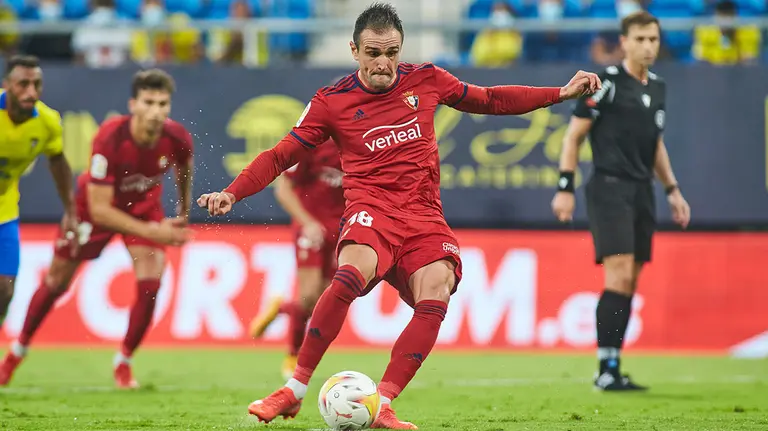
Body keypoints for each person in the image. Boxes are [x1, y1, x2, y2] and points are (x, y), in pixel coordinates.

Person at [199, 3, 599, 428]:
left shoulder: (425, 79)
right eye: (373, 53)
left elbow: (490, 99)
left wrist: (558, 93)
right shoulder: (331, 102)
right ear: (354, 51)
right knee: (350, 274)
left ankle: (383, 403)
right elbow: (282, 155)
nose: (383, 63)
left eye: (391, 53)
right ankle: (293, 390)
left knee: (438, 288)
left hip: (425, 218)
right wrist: (232, 192)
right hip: (371, 210)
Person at [0, 69, 195, 389]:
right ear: (133, 104)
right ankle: (16, 352)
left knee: (151, 281)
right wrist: (157, 233)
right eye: (149, 102)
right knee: (56, 281)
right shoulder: (110, 137)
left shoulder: (177, 137)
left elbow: (185, 169)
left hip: (144, 208)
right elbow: (102, 209)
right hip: (92, 210)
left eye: (163, 103)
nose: (156, 111)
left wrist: (183, 212)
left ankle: (124, 362)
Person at [552, 11, 690, 392]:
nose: (648, 46)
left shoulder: (658, 87)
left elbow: (656, 145)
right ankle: (605, 369)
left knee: (630, 279)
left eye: (653, 39)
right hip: (610, 187)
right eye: (641, 39)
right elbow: (573, 137)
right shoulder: (607, 83)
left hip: (642, 189)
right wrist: (565, 186)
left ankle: (613, 365)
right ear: (624, 42)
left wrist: (672, 189)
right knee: (619, 273)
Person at [248, 137, 344, 380]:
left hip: (342, 230)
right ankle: (293, 355)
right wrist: (307, 222)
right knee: (308, 294)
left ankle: (280, 308)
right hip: (311, 228)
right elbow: (283, 189)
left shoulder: (363, 143)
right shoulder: (312, 144)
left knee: (321, 302)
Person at [0, 55, 77, 336]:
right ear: (7, 85)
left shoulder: (47, 122)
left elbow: (58, 162)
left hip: (4, 209)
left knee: (5, 289)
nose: (31, 91)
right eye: (23, 84)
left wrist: (70, 210)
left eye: (37, 84)